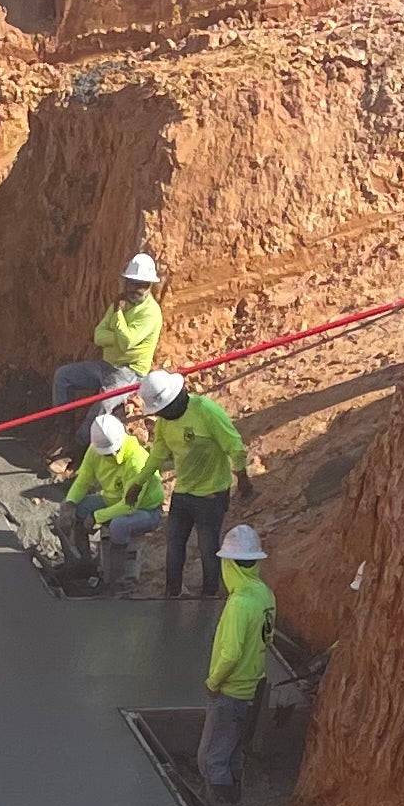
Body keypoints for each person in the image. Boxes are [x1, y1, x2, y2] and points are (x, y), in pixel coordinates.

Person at [143, 366, 251, 600]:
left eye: (162, 410)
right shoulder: (164, 423)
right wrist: (139, 482)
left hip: (211, 495)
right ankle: (172, 592)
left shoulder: (205, 411)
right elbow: (158, 453)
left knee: (208, 548)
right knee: (174, 545)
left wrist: (242, 475)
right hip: (183, 493)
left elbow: (233, 443)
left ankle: (209, 596)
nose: (159, 416)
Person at [197, 524, 276, 806]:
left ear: (229, 564)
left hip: (231, 690)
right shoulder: (264, 594)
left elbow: (230, 653)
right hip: (252, 688)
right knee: (232, 754)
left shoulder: (239, 603)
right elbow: (268, 638)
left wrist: (213, 682)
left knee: (211, 760)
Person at [53, 407, 163, 584]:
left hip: (146, 511)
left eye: (113, 451)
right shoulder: (95, 451)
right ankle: (83, 564)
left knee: (119, 525)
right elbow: (83, 481)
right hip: (113, 500)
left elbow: (129, 506)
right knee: (78, 508)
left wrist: (97, 516)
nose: (111, 455)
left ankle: (117, 579)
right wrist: (70, 503)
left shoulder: (136, 462)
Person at [51, 250, 166, 409]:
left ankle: (84, 435)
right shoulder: (121, 302)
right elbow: (98, 335)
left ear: (148, 286)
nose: (132, 289)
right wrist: (116, 338)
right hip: (107, 365)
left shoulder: (150, 312)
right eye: (130, 283)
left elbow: (126, 342)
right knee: (63, 376)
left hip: (129, 372)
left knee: (101, 407)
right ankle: (62, 425)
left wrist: (118, 314)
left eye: (139, 285)